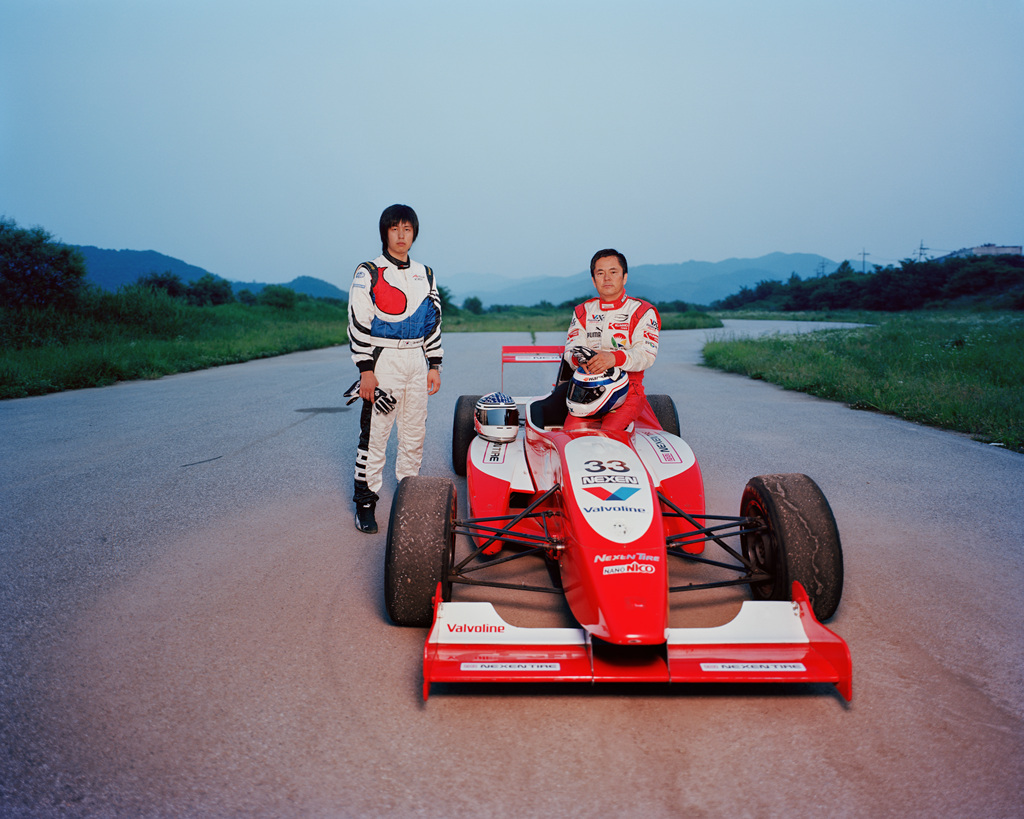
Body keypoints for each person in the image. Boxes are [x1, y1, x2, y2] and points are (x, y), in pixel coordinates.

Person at [348, 204, 443, 533]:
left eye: (407, 229)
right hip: (383, 361)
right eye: (394, 228)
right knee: (375, 436)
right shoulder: (369, 271)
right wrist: (365, 370)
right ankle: (365, 504)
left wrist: (434, 363)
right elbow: (358, 322)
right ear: (385, 232)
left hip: (416, 360)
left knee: (414, 435)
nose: (401, 235)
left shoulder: (425, 273)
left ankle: (409, 500)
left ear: (414, 233)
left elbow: (433, 321)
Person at [562, 249, 660, 431]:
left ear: (624, 277)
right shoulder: (583, 311)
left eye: (613, 272)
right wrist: (578, 359)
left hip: (629, 391)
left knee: (609, 435)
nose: (607, 278)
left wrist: (613, 358)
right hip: (586, 390)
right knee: (571, 435)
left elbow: (646, 355)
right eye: (600, 273)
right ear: (594, 280)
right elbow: (571, 350)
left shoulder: (643, 312)